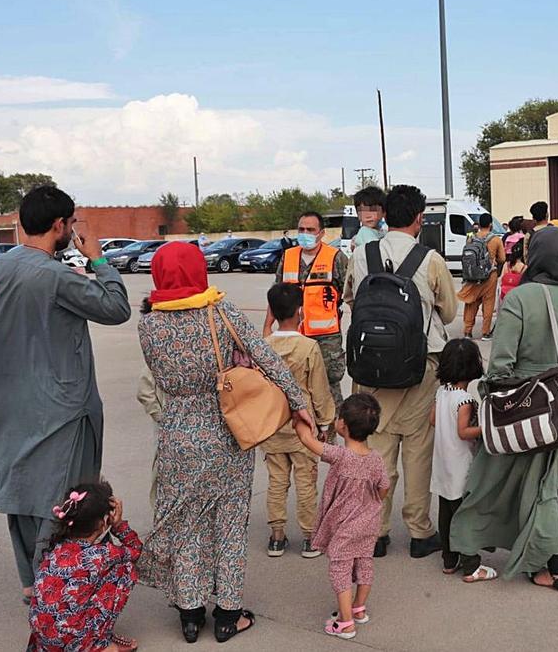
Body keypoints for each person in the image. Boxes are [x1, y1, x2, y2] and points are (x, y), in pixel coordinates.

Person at [0, 186, 132, 604]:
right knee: (66, 504)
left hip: (11, 404)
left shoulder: (5, 265)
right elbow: (115, 308)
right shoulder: (54, 276)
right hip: (60, 411)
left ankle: (35, 588)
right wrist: (99, 260)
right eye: (70, 224)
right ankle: (61, 598)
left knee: (22, 499)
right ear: (59, 225)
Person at [136, 241, 310, 644]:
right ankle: (229, 615)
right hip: (227, 430)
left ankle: (190, 614)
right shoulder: (221, 312)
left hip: (177, 431)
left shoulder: (148, 325)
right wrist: (298, 403)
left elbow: (159, 378)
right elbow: (266, 356)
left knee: (186, 523)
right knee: (229, 523)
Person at [450, 226, 558, 590]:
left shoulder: (520, 299)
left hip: (533, 405)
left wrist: (489, 400)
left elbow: (501, 363)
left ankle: (554, 568)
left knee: (539, 487)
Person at [344, 184, 458, 559]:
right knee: (417, 450)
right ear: (419, 218)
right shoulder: (430, 259)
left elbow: (350, 298)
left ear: (385, 215)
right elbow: (449, 312)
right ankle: (420, 531)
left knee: (377, 449)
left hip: (371, 368)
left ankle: (376, 532)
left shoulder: (362, 254)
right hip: (420, 367)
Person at [292, 393, 389, 640]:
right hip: (369, 524)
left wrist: (298, 416)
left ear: (342, 425)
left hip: (346, 528)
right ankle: (358, 608)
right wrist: (373, 500)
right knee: (365, 562)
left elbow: (306, 440)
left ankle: (345, 623)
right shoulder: (376, 459)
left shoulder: (341, 455)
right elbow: (384, 487)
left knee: (340, 569)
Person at [263, 282, 337, 559]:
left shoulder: (264, 346)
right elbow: (319, 390)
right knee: (306, 483)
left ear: (272, 311)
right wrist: (326, 422)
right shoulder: (308, 347)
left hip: (271, 427)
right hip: (302, 428)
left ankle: (277, 537)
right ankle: (309, 537)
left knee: (276, 482)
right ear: (300, 312)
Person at [28, 481, 140, 652]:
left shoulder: (56, 546)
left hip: (43, 640)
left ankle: (91, 637)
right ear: (102, 523)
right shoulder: (102, 554)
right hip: (73, 644)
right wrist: (118, 525)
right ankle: (98, 646)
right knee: (125, 568)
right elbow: (135, 550)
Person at [265, 210, 349, 427]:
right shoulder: (289, 256)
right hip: (292, 336)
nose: (305, 234)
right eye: (301, 229)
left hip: (326, 339)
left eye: (310, 230)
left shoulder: (336, 258)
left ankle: (330, 438)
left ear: (321, 233)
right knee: (292, 385)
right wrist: (267, 327)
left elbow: (349, 294)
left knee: (329, 388)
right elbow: (276, 293)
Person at [431, 339, 497, 583]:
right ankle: (470, 565)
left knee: (446, 515)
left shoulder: (441, 393)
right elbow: (463, 432)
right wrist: (485, 428)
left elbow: (432, 420)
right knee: (464, 516)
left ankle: (449, 560)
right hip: (460, 466)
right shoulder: (464, 400)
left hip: (442, 465)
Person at [458, 213, 505, 340]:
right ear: (491, 225)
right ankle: (485, 332)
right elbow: (502, 258)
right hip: (490, 276)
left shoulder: (471, 238)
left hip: (472, 276)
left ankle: (467, 331)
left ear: (478, 225)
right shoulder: (496, 240)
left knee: (471, 303)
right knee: (488, 303)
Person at [135, 369, 167, 510]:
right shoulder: (162, 351)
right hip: (168, 424)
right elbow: (144, 390)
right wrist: (160, 417)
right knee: (163, 468)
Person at [351, 186, 387, 250]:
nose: (368, 216)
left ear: (383, 212)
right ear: (358, 215)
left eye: (373, 210)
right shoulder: (365, 232)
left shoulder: (382, 232)